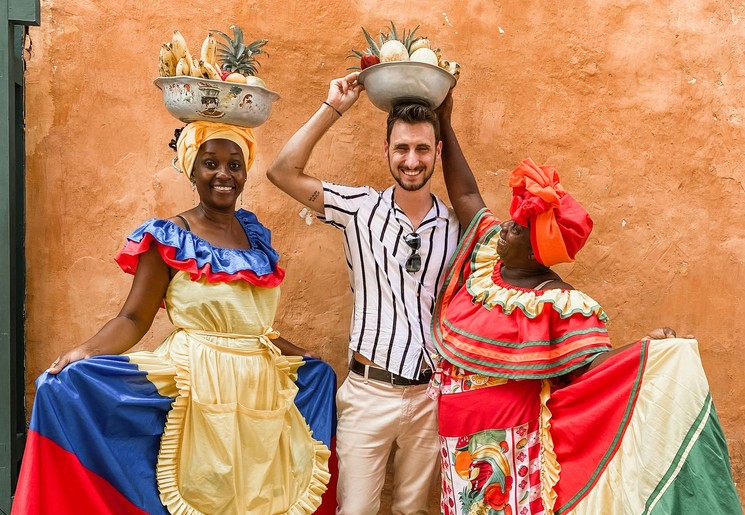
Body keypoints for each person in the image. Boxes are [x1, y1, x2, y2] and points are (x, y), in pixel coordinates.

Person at [430, 93, 742, 514]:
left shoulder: (557, 304)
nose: (504, 228)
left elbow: (593, 370)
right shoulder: (488, 260)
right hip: (459, 444)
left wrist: (645, 352)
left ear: (537, 251)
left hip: (513, 454)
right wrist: (444, 123)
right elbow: (465, 194)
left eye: (518, 230)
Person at [12, 121, 337, 515]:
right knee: (198, 490)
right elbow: (133, 318)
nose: (223, 174)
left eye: (234, 165)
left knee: (257, 496)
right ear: (191, 169)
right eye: (210, 163)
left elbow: (249, 325)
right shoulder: (169, 237)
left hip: (259, 388)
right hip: (196, 383)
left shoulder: (255, 236)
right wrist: (85, 351)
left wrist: (299, 353)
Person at [266, 72, 461, 514]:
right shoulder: (359, 209)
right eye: (402, 149)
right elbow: (281, 171)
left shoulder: (455, 228)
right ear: (387, 152)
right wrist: (333, 107)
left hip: (431, 396)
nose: (412, 161)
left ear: (437, 153)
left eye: (422, 149)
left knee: (413, 510)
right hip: (369, 392)